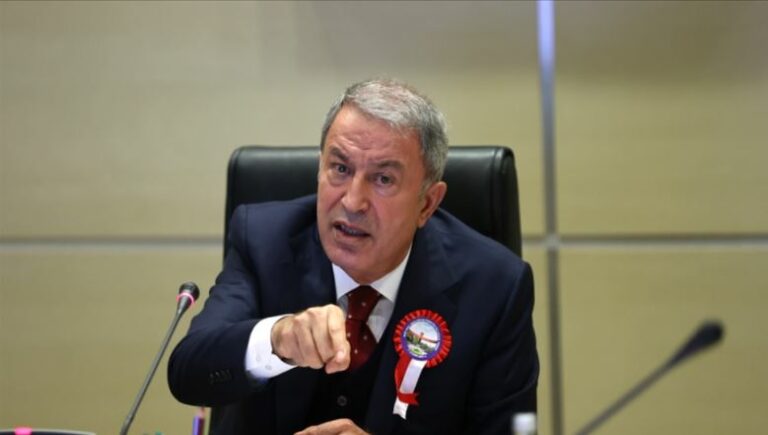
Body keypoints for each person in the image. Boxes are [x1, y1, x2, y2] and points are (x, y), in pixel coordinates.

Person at [168, 79, 538, 435]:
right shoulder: (265, 240)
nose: (352, 201)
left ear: (427, 204)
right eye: (341, 169)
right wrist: (278, 339)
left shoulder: (495, 288)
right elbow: (189, 371)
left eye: (383, 179)